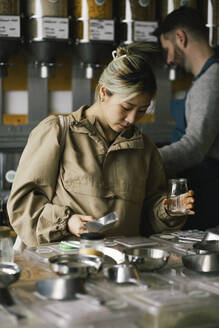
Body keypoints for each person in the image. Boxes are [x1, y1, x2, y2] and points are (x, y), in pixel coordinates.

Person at [7, 43, 194, 248]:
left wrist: (167, 210)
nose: (132, 119)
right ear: (104, 93)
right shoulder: (58, 132)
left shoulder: (145, 149)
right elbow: (22, 206)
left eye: (141, 111)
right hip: (64, 264)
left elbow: (149, 221)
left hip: (122, 267)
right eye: (126, 107)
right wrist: (66, 222)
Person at [155, 6, 219, 230]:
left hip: (209, 191)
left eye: (167, 49)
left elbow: (194, 147)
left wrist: (147, 159)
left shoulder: (211, 81)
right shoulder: (204, 79)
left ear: (180, 38)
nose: (170, 60)